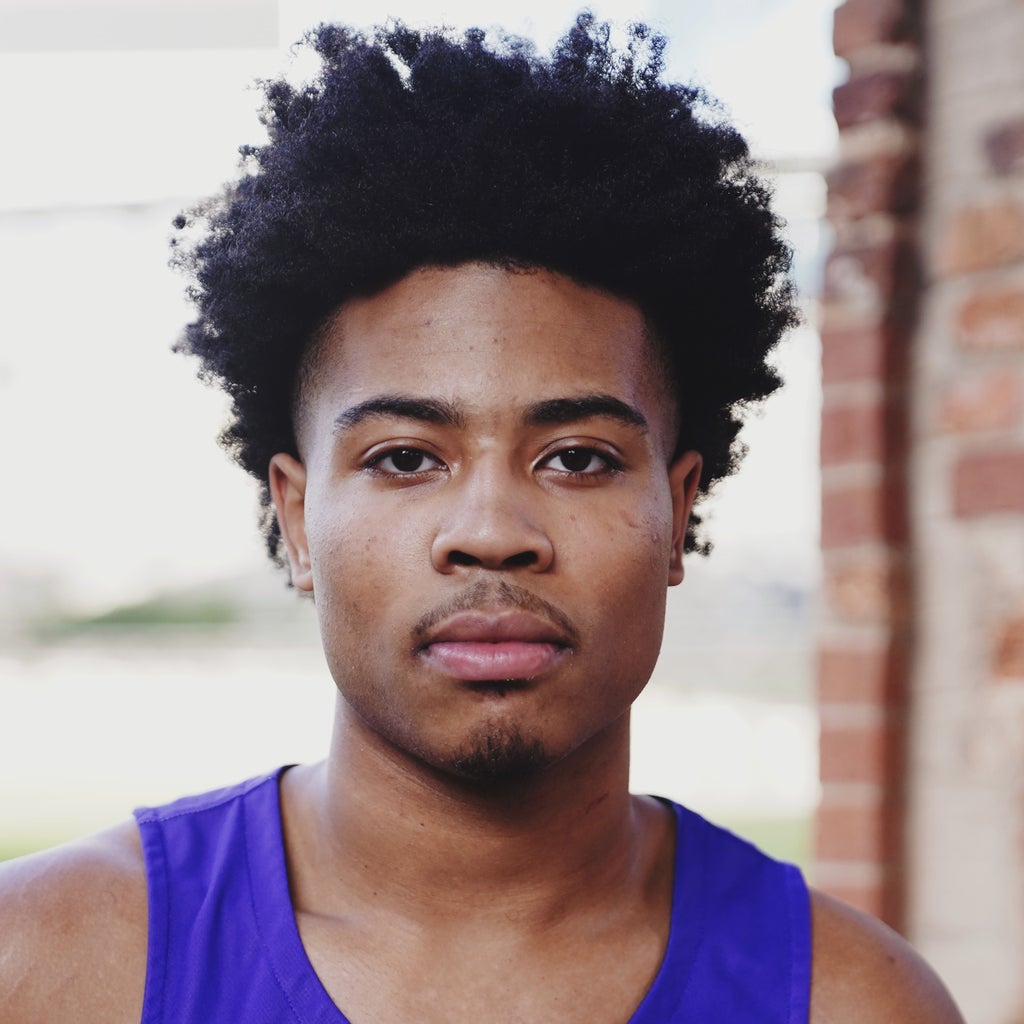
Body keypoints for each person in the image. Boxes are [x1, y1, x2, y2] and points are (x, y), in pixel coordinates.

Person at [0, 14, 963, 1023]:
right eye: (405, 458)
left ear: (677, 511)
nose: (492, 530)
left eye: (578, 457)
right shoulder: (50, 966)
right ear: (297, 516)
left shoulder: (852, 1000)